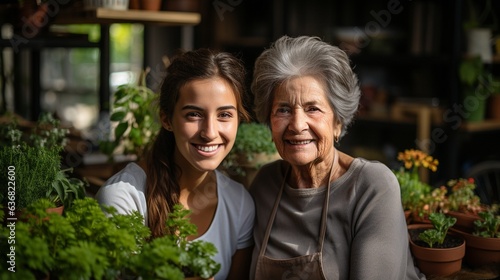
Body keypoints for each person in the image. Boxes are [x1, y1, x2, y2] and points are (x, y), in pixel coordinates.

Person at [248, 35, 425, 280]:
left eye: (313, 109)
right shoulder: (265, 184)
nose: (297, 125)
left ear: (338, 123)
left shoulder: (370, 187)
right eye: (284, 110)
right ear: (269, 120)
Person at [96, 48, 255, 280]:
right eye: (194, 114)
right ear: (167, 119)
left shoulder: (239, 203)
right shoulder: (123, 197)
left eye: (224, 115)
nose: (210, 133)